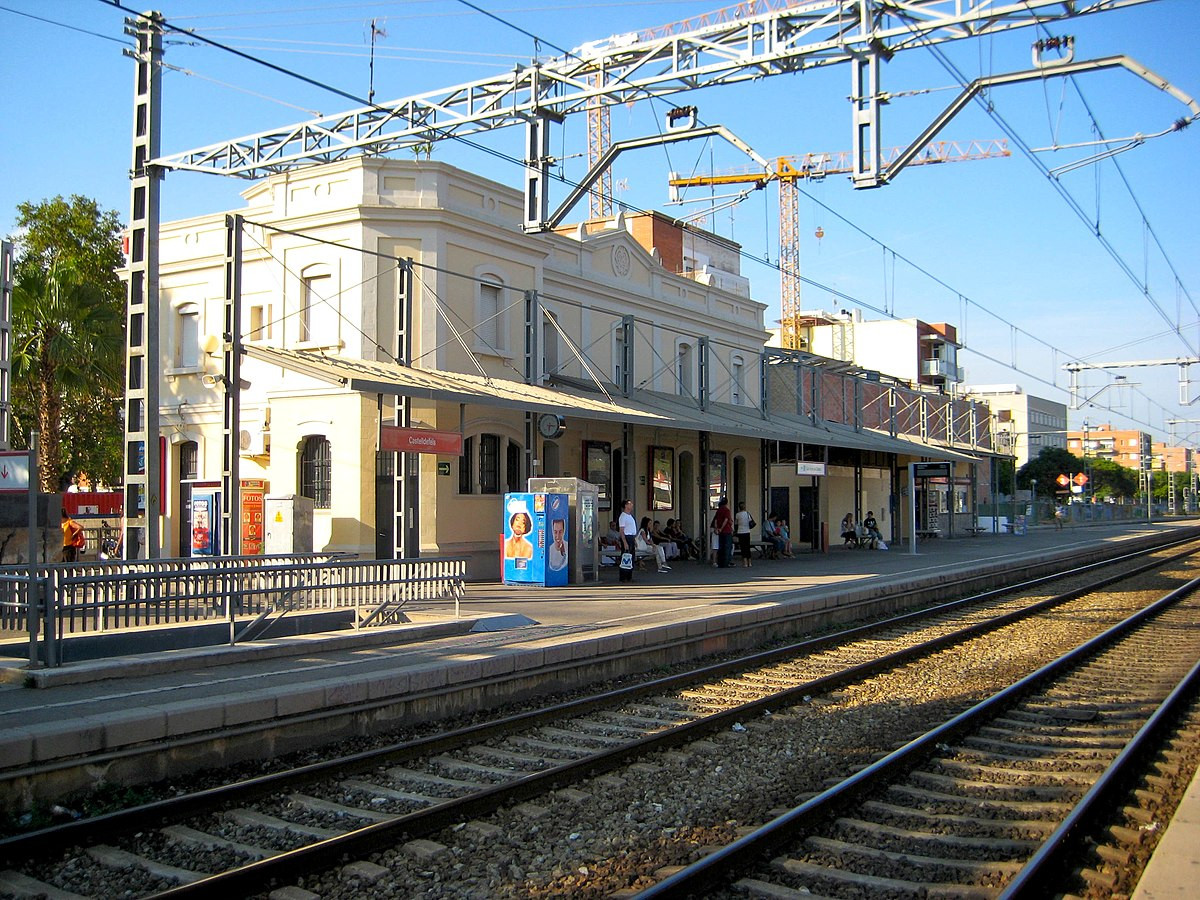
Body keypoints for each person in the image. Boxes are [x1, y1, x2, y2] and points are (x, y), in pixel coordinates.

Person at [618, 499, 638, 582]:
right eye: (630, 504)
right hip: (626, 537)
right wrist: (624, 542)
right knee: (626, 557)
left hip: (631, 537)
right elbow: (621, 530)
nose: (631, 505)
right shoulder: (623, 516)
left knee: (631, 557)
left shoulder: (630, 516)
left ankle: (629, 576)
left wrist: (635, 540)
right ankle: (623, 576)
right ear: (626, 505)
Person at [713, 497, 734, 567]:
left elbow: (715, 520)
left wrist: (717, 528)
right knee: (727, 547)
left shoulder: (718, 510)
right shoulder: (727, 510)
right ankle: (726, 562)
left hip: (720, 532)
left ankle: (720, 562)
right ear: (727, 503)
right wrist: (722, 528)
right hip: (727, 530)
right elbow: (726, 520)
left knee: (721, 547)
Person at [734, 500, 754, 567]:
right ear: (744, 507)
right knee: (747, 546)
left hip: (740, 532)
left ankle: (745, 562)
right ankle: (750, 562)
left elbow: (736, 523)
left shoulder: (737, 515)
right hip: (747, 531)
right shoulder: (747, 514)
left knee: (743, 547)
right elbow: (750, 521)